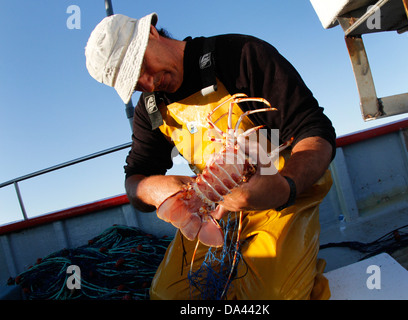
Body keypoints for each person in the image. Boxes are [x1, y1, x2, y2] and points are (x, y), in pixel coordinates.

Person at [85, 12, 336, 300]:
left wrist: (286, 186)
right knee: (165, 296)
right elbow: (135, 180)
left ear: (152, 33)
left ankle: (299, 268)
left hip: (281, 198)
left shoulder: (239, 55)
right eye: (135, 84)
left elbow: (313, 128)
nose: (149, 84)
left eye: (142, 65)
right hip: (212, 210)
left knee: (271, 297)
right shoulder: (150, 109)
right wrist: (152, 190)